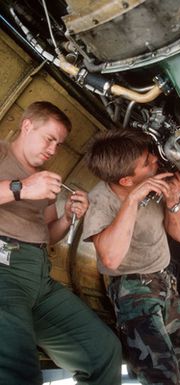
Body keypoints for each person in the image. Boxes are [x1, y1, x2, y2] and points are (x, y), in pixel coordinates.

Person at [0, 101, 122, 385]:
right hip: (4, 271)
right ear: (27, 125)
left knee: (103, 352)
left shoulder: (44, 177)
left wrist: (68, 217)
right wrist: (24, 187)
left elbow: (49, 234)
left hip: (39, 278)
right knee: (18, 371)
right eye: (50, 139)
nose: (53, 150)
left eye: (59, 144)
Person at [82, 128, 180, 385]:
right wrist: (133, 200)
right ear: (126, 181)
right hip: (132, 291)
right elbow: (111, 259)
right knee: (161, 375)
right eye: (147, 164)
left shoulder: (155, 183)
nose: (155, 163)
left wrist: (173, 202)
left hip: (164, 282)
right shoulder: (100, 202)